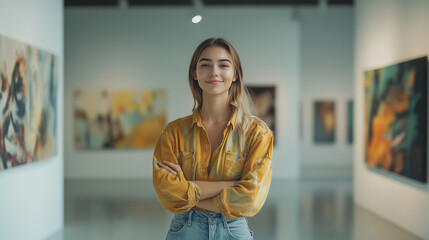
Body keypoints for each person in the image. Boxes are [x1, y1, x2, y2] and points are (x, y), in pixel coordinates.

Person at [152, 38, 273, 240]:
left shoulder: (257, 133)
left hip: (234, 231)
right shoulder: (173, 133)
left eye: (223, 65)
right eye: (205, 65)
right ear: (195, 73)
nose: (214, 72)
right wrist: (231, 185)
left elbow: (251, 198)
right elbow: (168, 193)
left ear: (235, 74)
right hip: (185, 230)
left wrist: (187, 188)